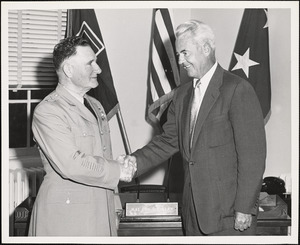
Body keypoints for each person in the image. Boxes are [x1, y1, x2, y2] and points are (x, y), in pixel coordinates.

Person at [124, 20, 266, 236]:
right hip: (193, 213)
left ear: (206, 49)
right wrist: (135, 161)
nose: (180, 60)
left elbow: (252, 157)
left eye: (185, 53)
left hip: (229, 215)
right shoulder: (181, 95)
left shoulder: (237, 89)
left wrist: (244, 208)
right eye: (179, 54)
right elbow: (168, 141)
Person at [28, 36, 135, 236]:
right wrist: (117, 170)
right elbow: (72, 164)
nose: (98, 69)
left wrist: (115, 205)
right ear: (69, 70)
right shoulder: (48, 111)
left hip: (101, 210)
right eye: (90, 64)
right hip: (68, 217)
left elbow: (103, 155)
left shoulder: (96, 105)